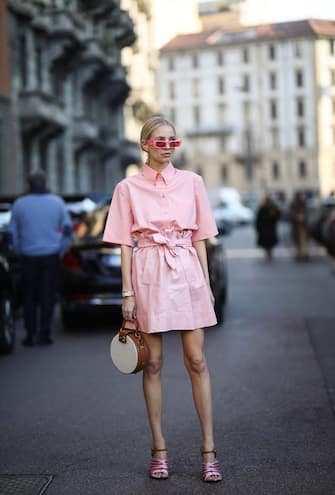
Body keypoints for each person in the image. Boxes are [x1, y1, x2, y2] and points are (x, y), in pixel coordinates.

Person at [103, 116, 222, 483]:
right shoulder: (127, 188)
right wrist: (127, 292)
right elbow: (125, 242)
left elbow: (201, 236)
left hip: (186, 268)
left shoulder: (193, 182)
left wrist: (205, 283)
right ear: (145, 145)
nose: (167, 146)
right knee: (152, 363)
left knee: (197, 360)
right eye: (160, 141)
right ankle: (159, 449)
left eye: (173, 141)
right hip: (149, 272)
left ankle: (208, 450)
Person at [8, 170, 72, 346]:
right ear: (45, 183)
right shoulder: (56, 202)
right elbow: (67, 230)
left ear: (28, 184)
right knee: (47, 296)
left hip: (28, 257)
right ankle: (44, 334)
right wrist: (60, 250)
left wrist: (18, 250)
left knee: (29, 297)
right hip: (50, 256)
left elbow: (12, 233)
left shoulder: (20, 204)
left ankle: (30, 334)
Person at [255, 195, 281, 260]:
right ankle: (267, 252)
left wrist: (274, 214)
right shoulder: (262, 209)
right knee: (266, 242)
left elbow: (277, 215)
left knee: (271, 242)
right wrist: (259, 228)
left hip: (271, 227)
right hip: (264, 228)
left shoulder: (273, 208)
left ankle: (270, 252)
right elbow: (258, 219)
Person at [289, 191, 309, 260]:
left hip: (302, 226)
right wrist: (296, 217)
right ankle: (300, 254)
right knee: (298, 241)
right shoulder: (293, 204)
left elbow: (306, 213)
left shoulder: (303, 203)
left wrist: (302, 217)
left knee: (303, 240)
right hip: (296, 226)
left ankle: (303, 254)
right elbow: (290, 214)